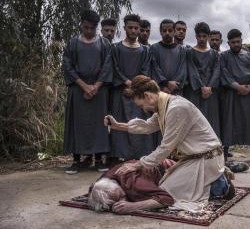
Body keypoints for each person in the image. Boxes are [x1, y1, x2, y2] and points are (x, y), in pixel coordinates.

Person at [104, 75, 232, 212]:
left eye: (141, 105)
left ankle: (219, 184)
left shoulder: (176, 108)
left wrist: (138, 164)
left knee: (167, 191)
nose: (143, 109)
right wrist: (118, 126)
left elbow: (166, 147)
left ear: (147, 96)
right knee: (163, 184)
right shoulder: (165, 105)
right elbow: (148, 126)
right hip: (194, 158)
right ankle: (213, 181)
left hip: (206, 159)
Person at [63, 9, 112, 174]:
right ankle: (77, 160)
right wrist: (84, 86)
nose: (89, 31)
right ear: (81, 25)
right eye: (86, 27)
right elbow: (68, 66)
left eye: (92, 28)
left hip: (99, 90)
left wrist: (96, 86)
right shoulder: (73, 43)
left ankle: (98, 159)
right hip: (78, 89)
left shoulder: (104, 43)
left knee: (99, 124)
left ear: (96, 27)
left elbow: (107, 66)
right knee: (78, 123)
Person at [110, 14, 158, 162]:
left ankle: (141, 156)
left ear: (139, 29)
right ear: (124, 28)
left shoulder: (145, 50)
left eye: (136, 28)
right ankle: (119, 156)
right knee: (121, 123)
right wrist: (126, 82)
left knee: (140, 122)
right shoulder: (116, 48)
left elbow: (145, 70)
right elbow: (115, 68)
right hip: (121, 92)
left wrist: (135, 86)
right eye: (130, 27)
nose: (133, 30)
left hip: (139, 93)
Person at [220, 29, 250, 162]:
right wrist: (237, 87)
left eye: (238, 41)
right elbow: (224, 74)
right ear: (228, 43)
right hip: (232, 94)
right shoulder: (223, 57)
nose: (236, 44)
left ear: (241, 41)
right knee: (229, 123)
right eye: (233, 42)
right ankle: (224, 153)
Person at [88, 159, 176, 213]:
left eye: (121, 196)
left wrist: (134, 206)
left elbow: (168, 199)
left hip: (171, 169)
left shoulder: (136, 184)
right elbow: (93, 192)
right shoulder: (100, 183)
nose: (122, 201)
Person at [184, 22, 220, 137]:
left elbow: (216, 71)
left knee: (212, 121)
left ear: (208, 37)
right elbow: (191, 70)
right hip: (195, 92)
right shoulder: (190, 52)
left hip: (211, 93)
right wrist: (201, 87)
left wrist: (209, 87)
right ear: (195, 36)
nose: (201, 39)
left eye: (204, 36)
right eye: (199, 36)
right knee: (195, 120)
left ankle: (212, 150)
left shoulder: (214, 54)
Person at [149, 19, 187, 96]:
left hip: (176, 90)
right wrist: (164, 84)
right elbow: (154, 69)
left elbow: (182, 70)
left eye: (170, 30)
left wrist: (173, 85)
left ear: (174, 31)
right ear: (160, 32)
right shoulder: (154, 48)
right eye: (164, 30)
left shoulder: (181, 50)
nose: (167, 33)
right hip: (159, 90)